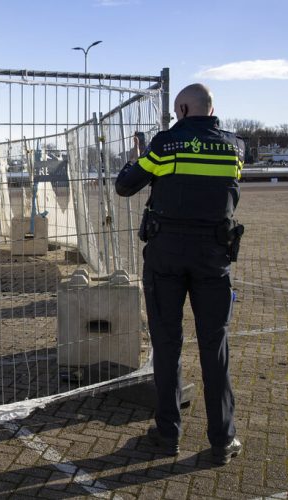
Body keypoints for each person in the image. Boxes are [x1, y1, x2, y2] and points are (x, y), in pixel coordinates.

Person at [115, 83, 245, 465]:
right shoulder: (235, 147)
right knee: (214, 348)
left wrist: (136, 157)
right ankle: (223, 439)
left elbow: (126, 185)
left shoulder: (166, 144)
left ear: (184, 110)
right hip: (213, 258)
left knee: (167, 345)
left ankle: (167, 434)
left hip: (167, 257)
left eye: (176, 112)